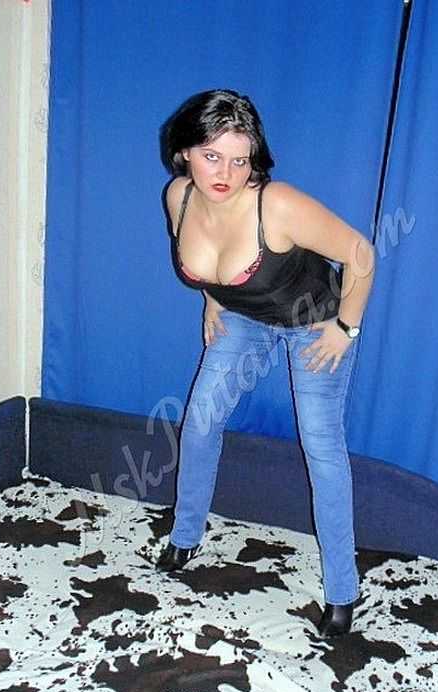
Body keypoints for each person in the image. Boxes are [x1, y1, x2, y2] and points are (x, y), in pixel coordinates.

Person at [157, 89, 375, 637]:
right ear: (184, 151)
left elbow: (361, 254)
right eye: (211, 155)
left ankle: (342, 590)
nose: (225, 173)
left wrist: (346, 327)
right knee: (200, 422)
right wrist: (212, 298)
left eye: (239, 159)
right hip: (244, 317)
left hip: (312, 324)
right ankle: (185, 536)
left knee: (321, 446)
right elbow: (200, 256)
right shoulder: (178, 196)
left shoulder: (274, 205)